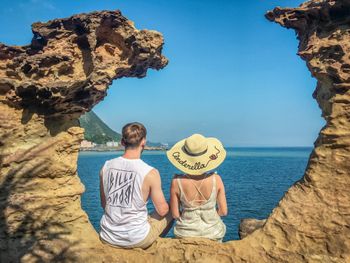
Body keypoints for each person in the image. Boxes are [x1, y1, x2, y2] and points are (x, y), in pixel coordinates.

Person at [99, 122, 173, 249]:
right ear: (143, 141)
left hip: (107, 236)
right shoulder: (150, 172)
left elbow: (104, 205)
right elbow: (162, 211)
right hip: (136, 239)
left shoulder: (106, 167)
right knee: (171, 209)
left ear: (122, 142)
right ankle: (150, 246)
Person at [167, 133, 227, 241]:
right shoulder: (216, 179)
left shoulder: (176, 182)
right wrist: (209, 217)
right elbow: (223, 211)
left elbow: (175, 214)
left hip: (185, 233)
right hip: (213, 233)